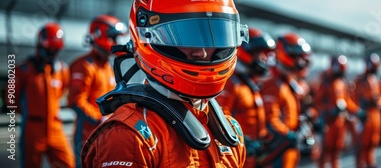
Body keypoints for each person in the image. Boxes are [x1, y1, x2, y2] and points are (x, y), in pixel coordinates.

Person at [80, 0, 249, 167]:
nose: (202, 53)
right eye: (187, 37)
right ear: (147, 36)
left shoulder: (232, 131)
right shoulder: (128, 137)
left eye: (215, 36)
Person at [5, 22, 75, 168]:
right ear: (40, 46)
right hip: (33, 129)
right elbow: (11, 99)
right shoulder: (23, 70)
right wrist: (26, 113)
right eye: (50, 50)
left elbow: (62, 92)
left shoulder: (62, 70)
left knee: (68, 163)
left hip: (55, 127)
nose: (52, 54)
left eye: (55, 51)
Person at [67, 14, 126, 167]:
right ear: (100, 35)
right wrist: (100, 119)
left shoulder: (107, 66)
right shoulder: (84, 65)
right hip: (87, 135)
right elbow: (76, 101)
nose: (115, 43)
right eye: (113, 38)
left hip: (107, 134)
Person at [215, 27, 275, 167]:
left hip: (252, 155)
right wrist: (242, 141)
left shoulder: (248, 83)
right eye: (259, 53)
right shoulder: (231, 82)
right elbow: (219, 118)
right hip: (237, 155)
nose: (264, 59)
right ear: (245, 51)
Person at [260, 32, 312, 168]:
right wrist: (289, 135)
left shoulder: (287, 82)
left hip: (288, 150)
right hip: (277, 151)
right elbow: (270, 121)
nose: (301, 61)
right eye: (297, 57)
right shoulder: (274, 85)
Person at [314, 55, 359, 168]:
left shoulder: (341, 82)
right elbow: (318, 102)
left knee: (337, 149)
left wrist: (357, 110)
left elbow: (347, 100)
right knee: (325, 150)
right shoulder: (325, 82)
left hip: (340, 120)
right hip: (328, 121)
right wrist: (329, 109)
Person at [353, 53, 381, 168]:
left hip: (375, 113)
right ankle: (361, 164)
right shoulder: (360, 80)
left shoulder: (377, 81)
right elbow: (353, 97)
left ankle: (370, 162)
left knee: (374, 140)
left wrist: (378, 102)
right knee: (362, 142)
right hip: (364, 114)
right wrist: (359, 109)